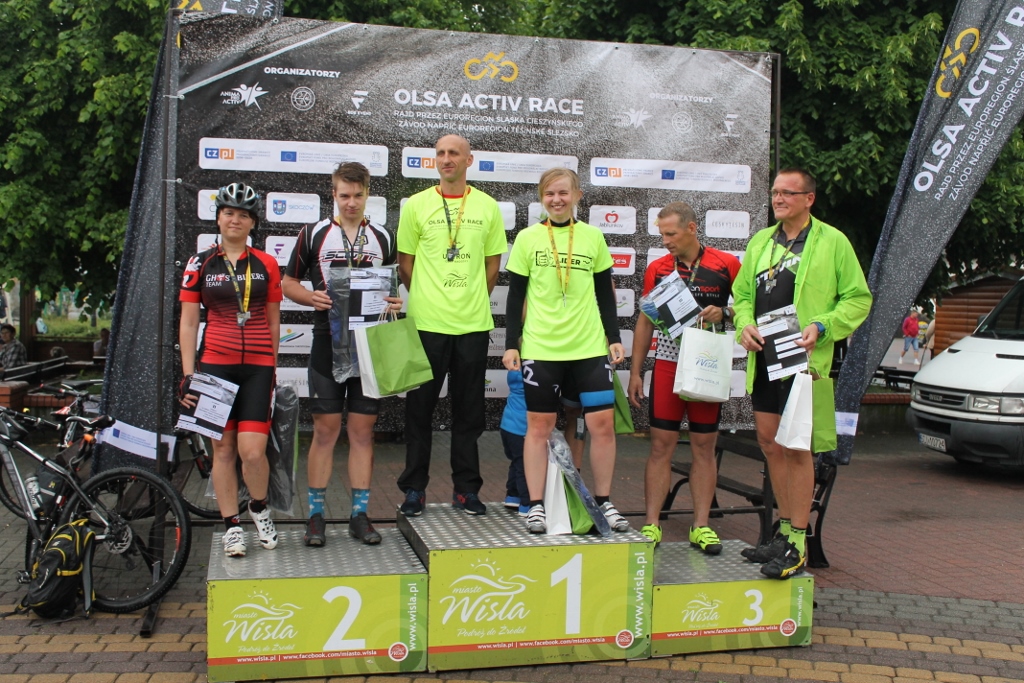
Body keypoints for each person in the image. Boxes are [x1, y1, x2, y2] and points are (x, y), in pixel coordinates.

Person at [733, 168, 871, 579]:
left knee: (796, 448)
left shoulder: (832, 241)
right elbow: (743, 295)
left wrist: (824, 325)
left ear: (808, 198)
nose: (778, 199)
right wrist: (744, 324)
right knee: (769, 443)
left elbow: (858, 298)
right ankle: (783, 532)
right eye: (775, 192)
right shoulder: (762, 241)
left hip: (803, 359)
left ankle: (798, 540)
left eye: (787, 193)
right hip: (765, 356)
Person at [502, 168, 628, 534]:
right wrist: (511, 343)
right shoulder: (527, 238)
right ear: (541, 198)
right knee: (539, 427)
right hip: (542, 347)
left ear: (577, 195)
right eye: (549, 194)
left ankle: (603, 502)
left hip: (589, 347)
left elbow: (605, 292)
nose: (556, 200)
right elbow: (515, 296)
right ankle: (536, 505)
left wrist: (613, 336)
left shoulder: (592, 236)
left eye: (563, 193)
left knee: (602, 425)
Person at [283, 162, 401, 546]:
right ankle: (316, 516)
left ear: (368, 195)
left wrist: (397, 300)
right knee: (325, 431)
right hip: (326, 341)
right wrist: (309, 296)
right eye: (344, 195)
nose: (351, 202)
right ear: (333, 194)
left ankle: (359, 515)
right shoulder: (313, 233)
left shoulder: (383, 236)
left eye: (358, 195)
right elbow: (287, 282)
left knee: (363, 432)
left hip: (369, 345)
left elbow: (395, 284)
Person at [396, 134, 507, 517]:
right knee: (418, 411)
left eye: (454, 153)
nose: (447, 159)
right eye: (441, 153)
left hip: (472, 325)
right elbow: (405, 263)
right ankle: (414, 489)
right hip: (426, 325)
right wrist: (427, 297)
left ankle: (466, 490)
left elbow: (492, 265)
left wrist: (470, 297)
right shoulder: (416, 204)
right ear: (435, 160)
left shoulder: (487, 206)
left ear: (468, 160)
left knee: (469, 413)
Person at [627, 202, 740, 551]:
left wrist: (726, 313)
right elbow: (645, 321)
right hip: (668, 362)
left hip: (707, 362)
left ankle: (701, 526)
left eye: (671, 234)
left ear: (692, 228)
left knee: (704, 447)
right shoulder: (659, 268)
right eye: (662, 234)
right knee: (661, 445)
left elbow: (747, 308)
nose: (666, 241)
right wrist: (635, 371)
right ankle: (651, 524)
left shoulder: (726, 264)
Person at [179, 182, 282, 558]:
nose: (235, 220)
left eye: (243, 215)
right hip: (215, 367)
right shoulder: (200, 263)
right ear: (218, 218)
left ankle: (258, 506)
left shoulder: (266, 263)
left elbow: (273, 320)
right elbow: (189, 322)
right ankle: (232, 527)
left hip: (257, 367)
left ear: (253, 222)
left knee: (252, 452)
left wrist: (271, 366)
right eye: (228, 213)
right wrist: (189, 375)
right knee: (222, 450)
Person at [500, 369, 529, 516]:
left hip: (507, 426)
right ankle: (527, 503)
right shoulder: (534, 375)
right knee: (525, 466)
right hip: (521, 428)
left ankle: (513, 495)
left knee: (517, 462)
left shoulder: (515, 368)